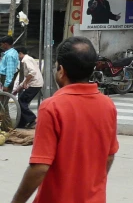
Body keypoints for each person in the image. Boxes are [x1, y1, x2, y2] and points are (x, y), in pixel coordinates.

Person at [11, 36, 118, 203]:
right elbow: (109, 156)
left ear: (61, 70)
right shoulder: (108, 105)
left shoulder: (52, 107)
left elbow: (40, 166)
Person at [13, 47, 43, 129]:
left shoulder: (26, 60)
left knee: (21, 101)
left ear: (20, 53)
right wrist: (19, 88)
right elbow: (27, 77)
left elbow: (32, 72)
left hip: (34, 84)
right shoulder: (26, 59)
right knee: (22, 102)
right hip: (34, 83)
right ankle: (21, 124)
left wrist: (25, 83)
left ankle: (32, 119)